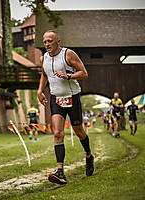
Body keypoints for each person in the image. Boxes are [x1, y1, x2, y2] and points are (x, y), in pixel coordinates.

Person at [37, 30, 94, 185]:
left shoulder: (68, 54)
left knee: (79, 131)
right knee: (57, 133)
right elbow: (44, 74)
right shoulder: (45, 58)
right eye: (45, 42)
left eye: (50, 41)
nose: (47, 44)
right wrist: (40, 90)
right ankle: (60, 171)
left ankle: (89, 156)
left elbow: (84, 73)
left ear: (58, 42)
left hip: (72, 96)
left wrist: (68, 76)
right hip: (56, 98)